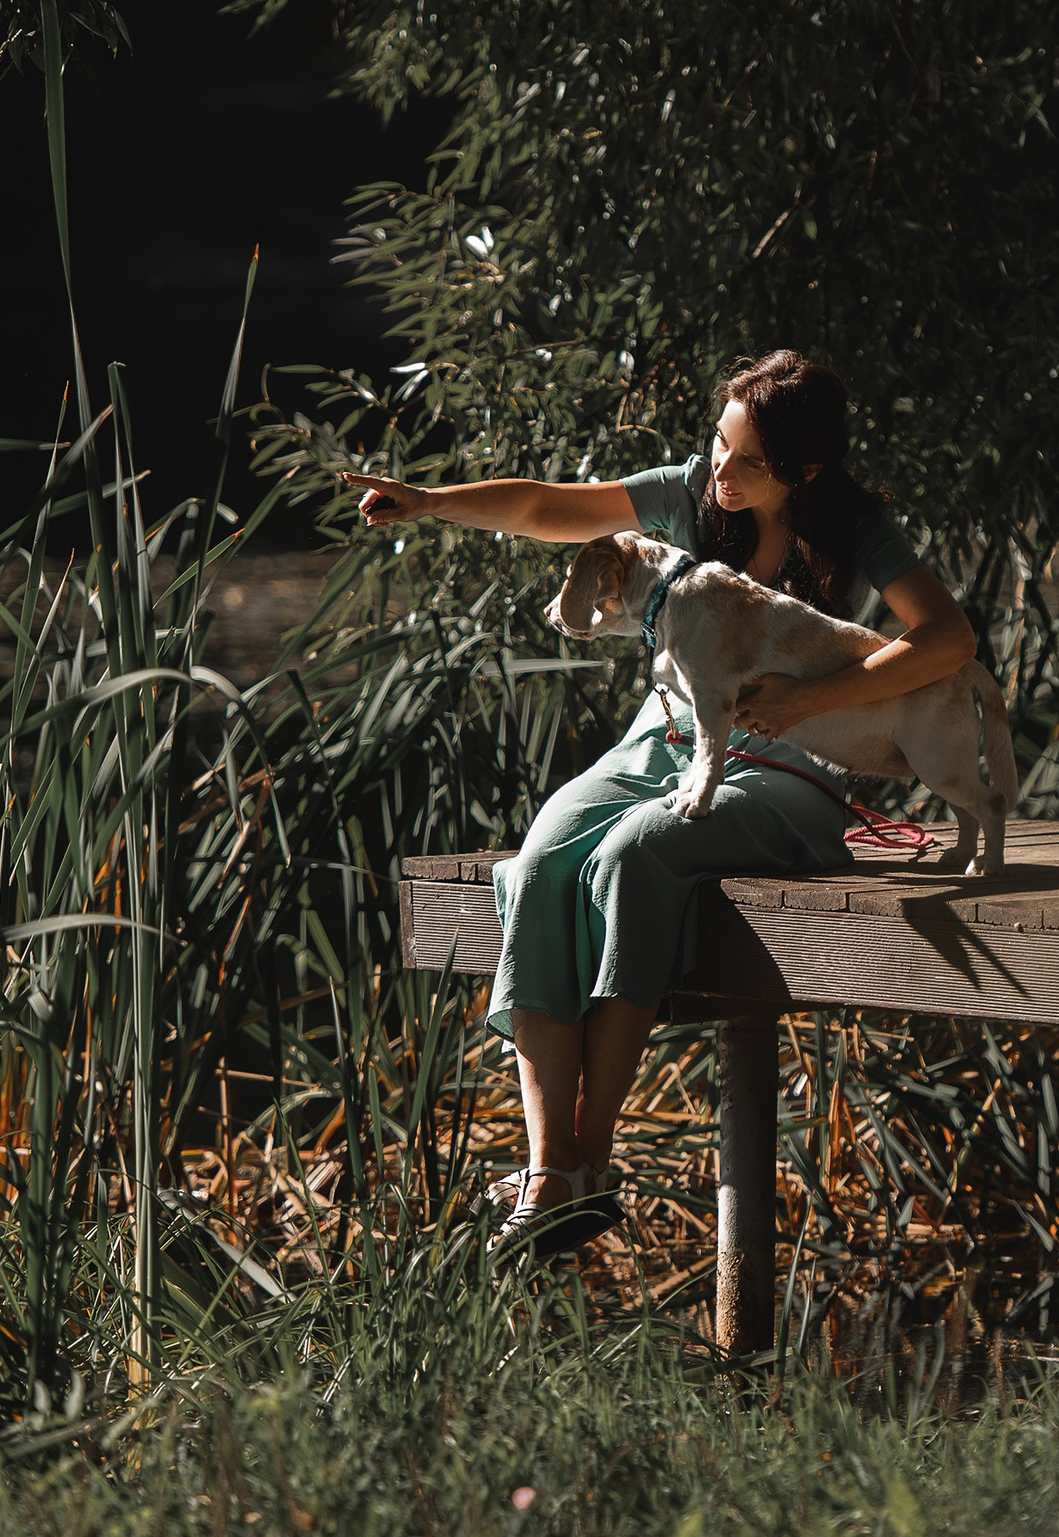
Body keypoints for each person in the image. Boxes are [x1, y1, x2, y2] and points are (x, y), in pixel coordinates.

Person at [342, 351, 977, 1255]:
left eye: (746, 460)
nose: (721, 469)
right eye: (718, 443)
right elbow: (548, 507)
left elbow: (949, 639)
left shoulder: (850, 526)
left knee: (632, 854)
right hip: (663, 741)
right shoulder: (693, 496)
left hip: (785, 769)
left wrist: (809, 702)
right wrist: (432, 501)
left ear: (801, 471)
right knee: (536, 862)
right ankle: (553, 1170)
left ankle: (588, 1160)